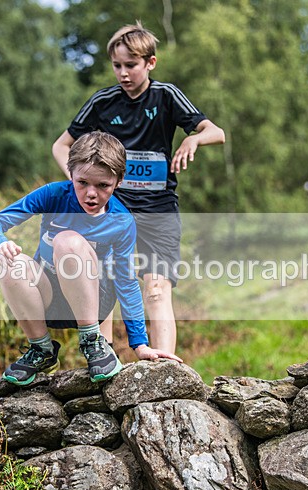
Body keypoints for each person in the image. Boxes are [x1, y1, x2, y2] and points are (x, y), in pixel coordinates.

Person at [51, 22, 225, 354]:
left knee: (156, 289)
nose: (123, 73)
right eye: (117, 66)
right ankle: (102, 363)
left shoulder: (166, 96)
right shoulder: (103, 102)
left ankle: (165, 369)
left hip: (159, 211)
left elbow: (217, 132)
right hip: (113, 210)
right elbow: (61, 146)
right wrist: (79, 181)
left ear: (150, 63)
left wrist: (194, 138)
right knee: (105, 286)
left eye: (131, 65)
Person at [0, 132, 182, 386]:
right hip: (50, 299)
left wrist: (140, 345)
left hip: (94, 302)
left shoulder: (121, 220)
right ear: (70, 173)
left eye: (102, 186)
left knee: (68, 241)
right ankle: (41, 349)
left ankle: (92, 340)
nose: (91, 194)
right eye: (82, 182)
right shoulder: (54, 195)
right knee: (12, 263)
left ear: (118, 181)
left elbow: (126, 282)